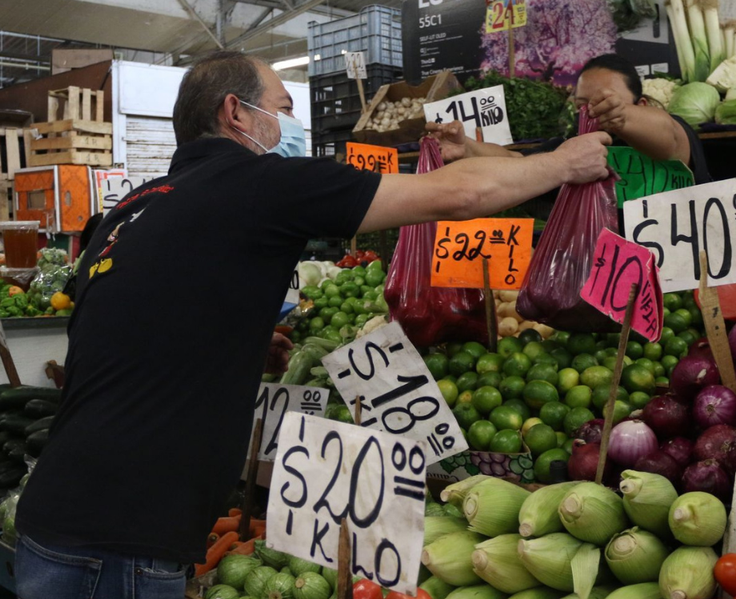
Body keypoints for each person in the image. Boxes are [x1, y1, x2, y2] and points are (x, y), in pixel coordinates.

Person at [13, 50, 610, 599]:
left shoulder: (134, 205)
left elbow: (120, 324)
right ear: (235, 113)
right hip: (124, 540)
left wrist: (237, 338)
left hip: (57, 511)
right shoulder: (261, 182)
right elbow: (453, 196)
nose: (289, 123)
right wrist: (560, 163)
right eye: (282, 107)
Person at [428, 53, 712, 186]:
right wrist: (467, 148)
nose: (593, 111)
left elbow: (671, 139)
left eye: (607, 100)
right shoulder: (571, 148)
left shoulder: (669, 131)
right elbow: (517, 163)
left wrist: (622, 116)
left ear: (642, 104)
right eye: (582, 105)